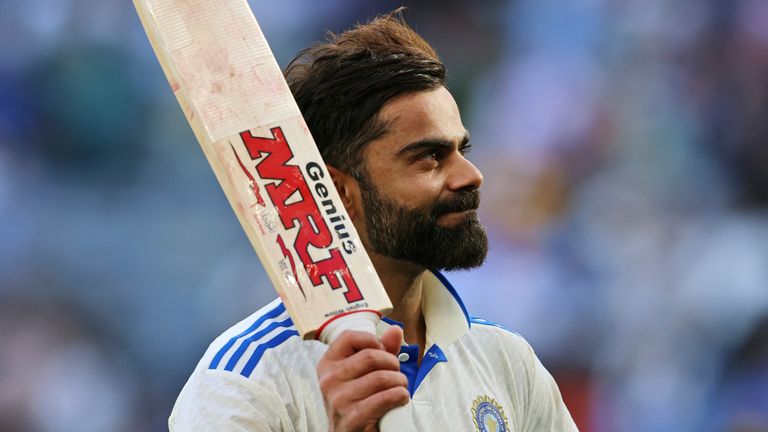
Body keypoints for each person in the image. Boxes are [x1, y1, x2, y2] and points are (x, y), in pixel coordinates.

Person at [170, 10, 577, 432]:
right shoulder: (241, 383)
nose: (471, 175)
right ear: (341, 192)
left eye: (462, 150)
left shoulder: (507, 361)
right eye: (429, 157)